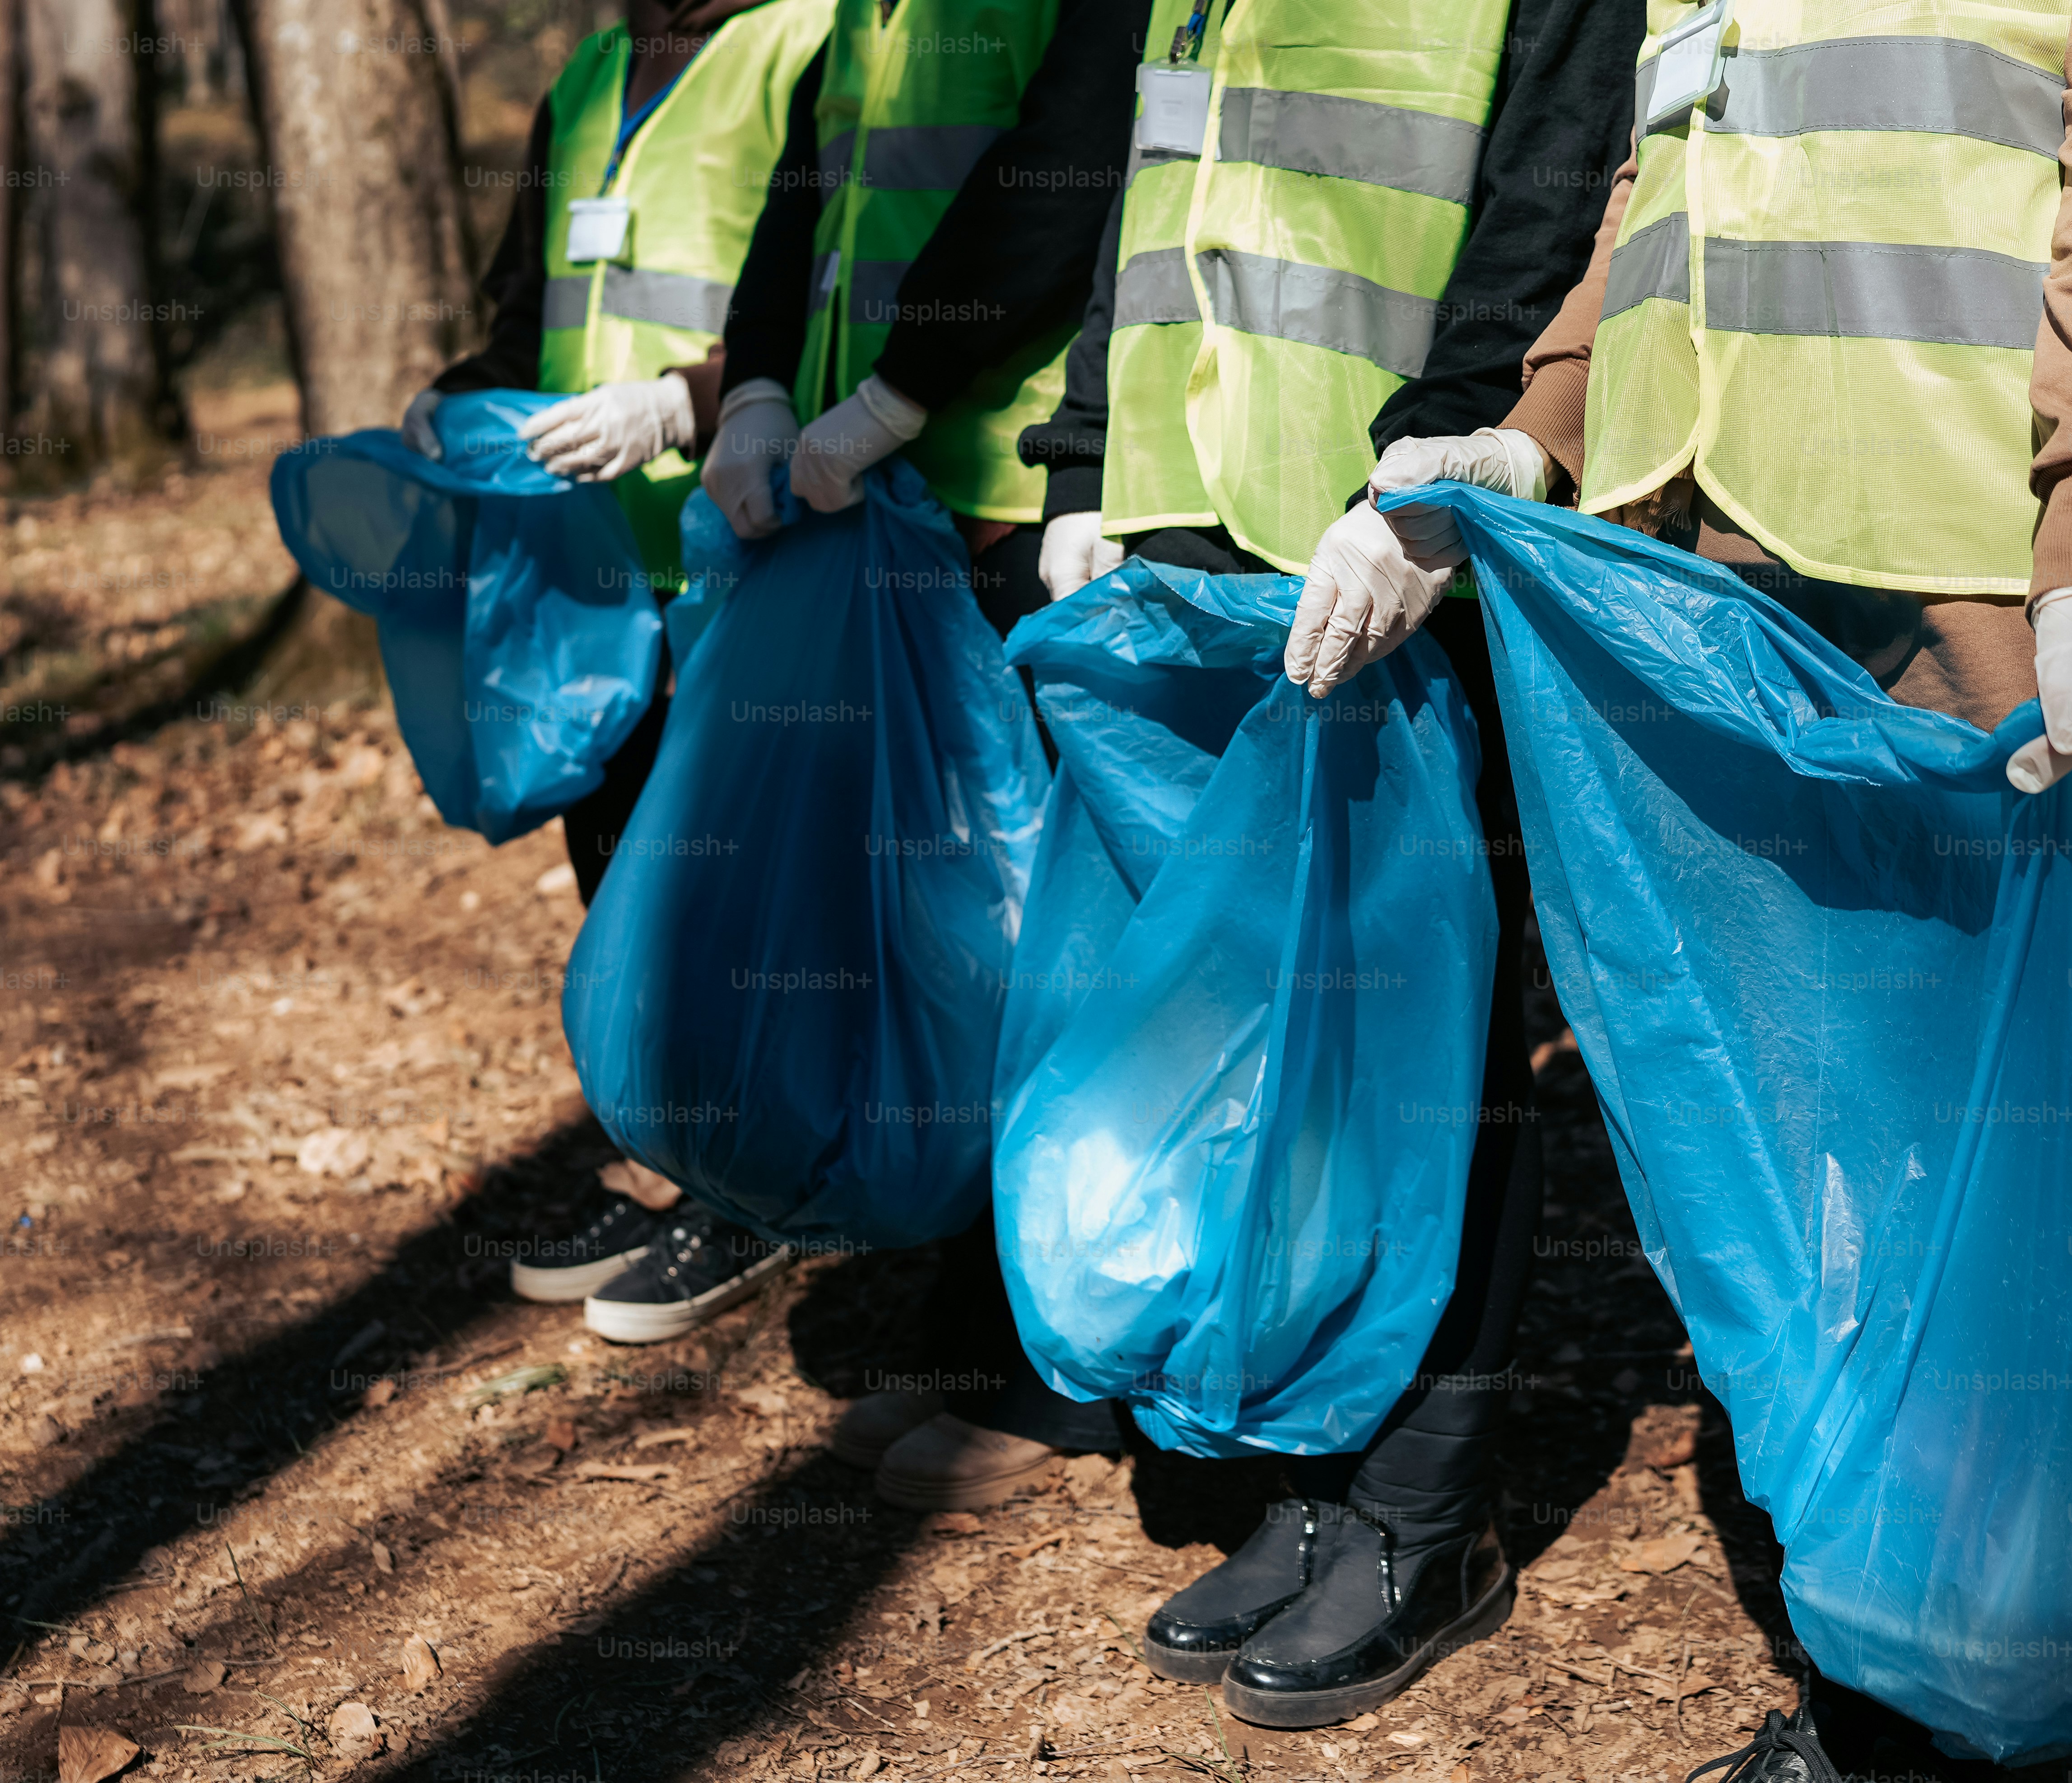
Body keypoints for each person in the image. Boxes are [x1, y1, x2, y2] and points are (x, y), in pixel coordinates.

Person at [1303, 0, 2072, 1771]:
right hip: (1732, 549)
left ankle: (1975, 1705)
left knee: (1994, 1154)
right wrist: (1536, 425)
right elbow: (1675, 156)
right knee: (1845, 1136)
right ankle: (1913, 1663)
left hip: (1979, 552)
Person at [1014, 0, 1645, 1730]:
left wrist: (1443, 468)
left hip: (1382, 539)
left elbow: (1557, 189)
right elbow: (1151, 196)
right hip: (1190, 541)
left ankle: (1426, 1516)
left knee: (1426, 1029)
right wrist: (1083, 453)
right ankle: (1305, 1468)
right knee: (1257, 1032)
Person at [699, 0, 1157, 1506]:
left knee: (1034, 942)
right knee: (946, 943)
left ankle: (1049, 1378)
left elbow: (1073, 160)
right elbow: (804, 190)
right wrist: (759, 375)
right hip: (875, 496)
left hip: (996, 486)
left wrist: (899, 391)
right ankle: (972, 1331)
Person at [402, 0, 831, 1343]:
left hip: (735, 537)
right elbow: (530, 308)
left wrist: (682, 402)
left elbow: (819, 291)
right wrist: (461, 389)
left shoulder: (797, 43)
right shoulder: (587, 80)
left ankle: (748, 1193)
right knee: (613, 874)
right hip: (583, 568)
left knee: (718, 887)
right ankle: (667, 1163)